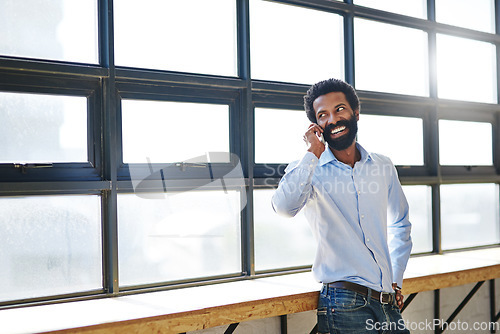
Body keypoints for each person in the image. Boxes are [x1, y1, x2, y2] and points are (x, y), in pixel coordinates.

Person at [272, 78, 412, 333]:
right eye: (323, 115)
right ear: (316, 125)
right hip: (344, 302)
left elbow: (400, 223)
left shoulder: (382, 165)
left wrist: (395, 279)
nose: (333, 120)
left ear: (356, 113)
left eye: (340, 109)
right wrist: (312, 153)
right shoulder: (309, 168)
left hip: (388, 301)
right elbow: (283, 207)